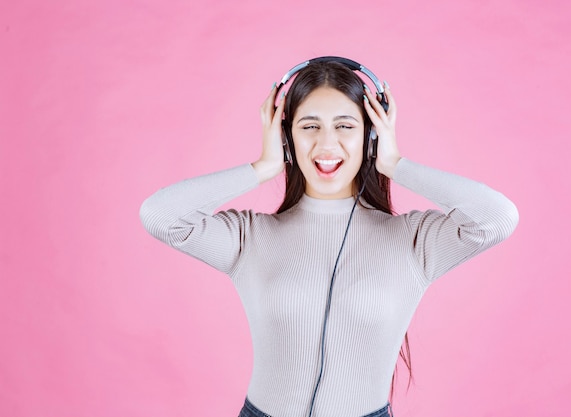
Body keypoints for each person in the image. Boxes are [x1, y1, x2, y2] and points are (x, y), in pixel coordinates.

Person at [140, 59, 519, 417]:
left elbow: (497, 218)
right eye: (309, 126)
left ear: (370, 136)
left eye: (344, 125)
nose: (326, 143)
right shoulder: (249, 237)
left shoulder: (414, 240)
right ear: (286, 138)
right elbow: (160, 215)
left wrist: (394, 164)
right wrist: (264, 167)